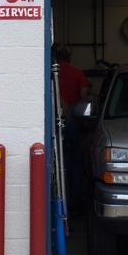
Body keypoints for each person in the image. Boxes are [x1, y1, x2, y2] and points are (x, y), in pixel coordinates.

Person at [55, 49, 90, 211]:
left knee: (56, 164)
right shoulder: (77, 72)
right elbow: (84, 95)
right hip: (72, 122)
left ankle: (58, 201)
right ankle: (75, 202)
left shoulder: (50, 72)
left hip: (53, 122)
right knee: (75, 163)